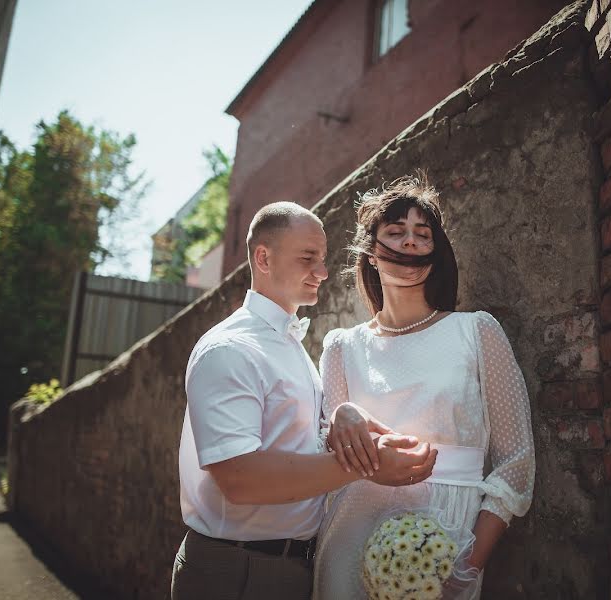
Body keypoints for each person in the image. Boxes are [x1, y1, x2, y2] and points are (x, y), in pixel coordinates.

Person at [171, 201, 439, 600]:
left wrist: (342, 421)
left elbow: (290, 441)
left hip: (286, 567)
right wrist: (368, 466)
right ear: (264, 258)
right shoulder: (230, 349)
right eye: (307, 258)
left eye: (323, 258)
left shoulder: (289, 345)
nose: (323, 271)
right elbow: (240, 479)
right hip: (237, 571)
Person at [313, 176, 536, 599]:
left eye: (422, 234)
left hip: (448, 539)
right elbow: (331, 454)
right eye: (395, 232)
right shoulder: (342, 347)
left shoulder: (476, 331)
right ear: (372, 254)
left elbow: (516, 462)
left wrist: (470, 562)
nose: (410, 243)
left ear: (436, 255)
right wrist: (344, 415)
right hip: (352, 526)